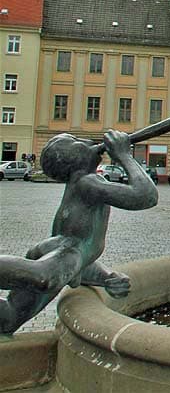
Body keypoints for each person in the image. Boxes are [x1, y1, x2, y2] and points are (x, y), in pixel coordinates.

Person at [0, 130, 158, 335]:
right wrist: (124, 156)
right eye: (76, 141)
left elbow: (79, 263)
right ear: (71, 161)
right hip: (65, 252)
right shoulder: (88, 182)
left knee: (10, 317)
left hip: (62, 252)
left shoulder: (80, 184)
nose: (87, 141)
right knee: (45, 277)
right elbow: (145, 197)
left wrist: (105, 277)